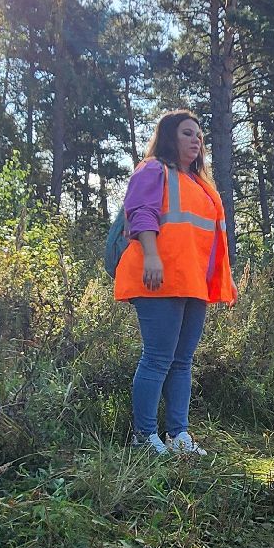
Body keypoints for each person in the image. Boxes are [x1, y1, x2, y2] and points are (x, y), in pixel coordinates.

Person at [113, 110, 237, 455]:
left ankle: (178, 436)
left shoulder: (201, 185)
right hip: (159, 279)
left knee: (182, 361)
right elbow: (141, 214)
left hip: (192, 283)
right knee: (157, 358)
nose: (196, 140)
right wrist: (152, 256)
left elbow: (210, 242)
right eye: (187, 133)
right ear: (169, 137)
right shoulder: (153, 169)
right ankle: (145, 436)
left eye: (199, 135)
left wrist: (225, 281)